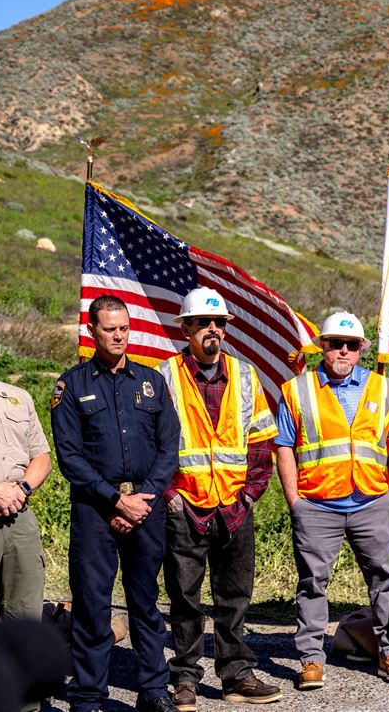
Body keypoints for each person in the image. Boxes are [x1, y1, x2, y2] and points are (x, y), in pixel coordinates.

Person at [50, 295, 180, 712]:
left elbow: (168, 447)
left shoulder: (151, 381)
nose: (119, 335)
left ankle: (154, 690)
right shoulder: (71, 386)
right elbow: (69, 457)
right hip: (95, 508)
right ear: (93, 332)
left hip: (145, 505)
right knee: (92, 603)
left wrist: (142, 499)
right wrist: (115, 502)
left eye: (124, 327)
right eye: (110, 328)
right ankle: (88, 695)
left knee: (145, 601)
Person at [156, 288, 282, 710]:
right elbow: (151, 444)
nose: (213, 330)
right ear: (186, 327)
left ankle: (235, 674)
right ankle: (187, 678)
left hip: (233, 507)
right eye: (204, 323)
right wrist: (170, 495)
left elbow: (262, 442)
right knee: (184, 599)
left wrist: (248, 496)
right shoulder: (164, 377)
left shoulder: (245, 377)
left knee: (234, 596)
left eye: (220, 323)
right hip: (184, 508)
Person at [275, 311, 389, 690]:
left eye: (352, 345)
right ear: (323, 346)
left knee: (383, 579)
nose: (344, 351)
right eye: (336, 343)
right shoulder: (298, 390)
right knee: (312, 583)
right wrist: (295, 501)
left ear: (361, 350)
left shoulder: (386, 390)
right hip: (317, 504)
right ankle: (310, 660)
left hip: (371, 501)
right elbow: (284, 446)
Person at [0, 319, 52, 624]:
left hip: (20, 515)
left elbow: (41, 457)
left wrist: (20, 490)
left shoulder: (19, 398)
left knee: (25, 615)